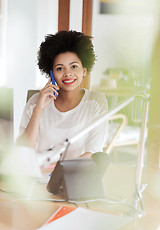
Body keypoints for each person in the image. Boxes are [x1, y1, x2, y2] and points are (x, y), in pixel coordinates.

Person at [17, 30, 108, 159]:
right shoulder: (35, 102)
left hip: (75, 176)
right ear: (51, 74)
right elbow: (23, 152)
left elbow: (93, 152)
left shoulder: (95, 102)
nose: (68, 73)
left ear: (84, 70)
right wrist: (39, 109)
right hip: (38, 177)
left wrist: (62, 174)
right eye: (59, 68)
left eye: (74, 66)